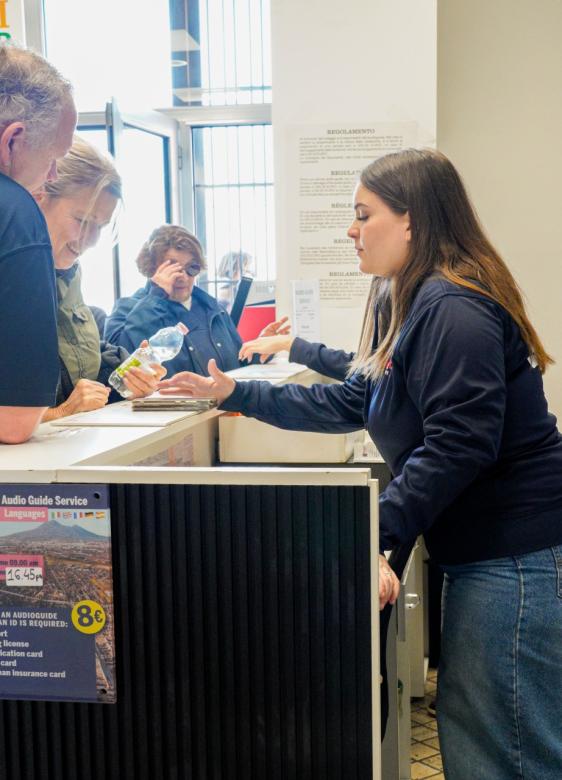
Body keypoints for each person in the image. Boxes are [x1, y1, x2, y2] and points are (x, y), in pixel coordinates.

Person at [158, 148, 562, 778]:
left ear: (412, 221)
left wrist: (378, 532)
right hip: (490, 551)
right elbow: (357, 397)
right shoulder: (414, 298)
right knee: (482, 731)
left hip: (515, 555)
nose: (350, 229)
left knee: (505, 745)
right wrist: (235, 392)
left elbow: (459, 443)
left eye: (362, 214)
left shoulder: (454, 308)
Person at [32, 136, 164, 421]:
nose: (90, 240)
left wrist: (124, 379)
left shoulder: (66, 273)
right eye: (81, 220)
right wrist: (60, 413)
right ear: (38, 197)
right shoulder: (15, 275)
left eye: (101, 226)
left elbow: (76, 359)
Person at [0, 42, 76, 443]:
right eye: (52, 159)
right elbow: (15, 421)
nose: (51, 176)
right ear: (13, 140)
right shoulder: (14, 215)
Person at [105, 225, 272, 377]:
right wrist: (156, 297)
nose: (183, 277)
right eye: (173, 268)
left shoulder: (212, 308)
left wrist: (259, 350)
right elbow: (122, 369)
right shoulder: (127, 310)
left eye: (191, 268)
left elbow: (236, 364)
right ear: (151, 267)